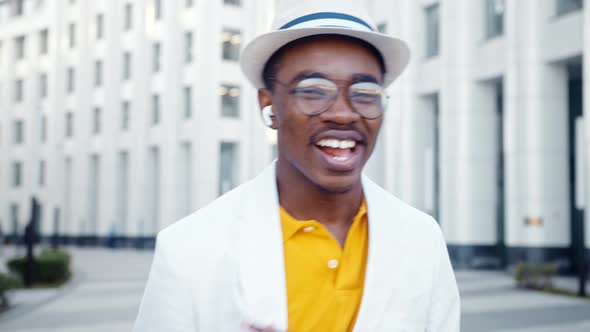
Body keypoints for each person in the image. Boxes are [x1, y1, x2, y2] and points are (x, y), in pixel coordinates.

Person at [133, 0, 460, 331]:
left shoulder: (422, 239)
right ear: (270, 105)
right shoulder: (189, 251)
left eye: (364, 92)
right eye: (314, 91)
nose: (344, 113)